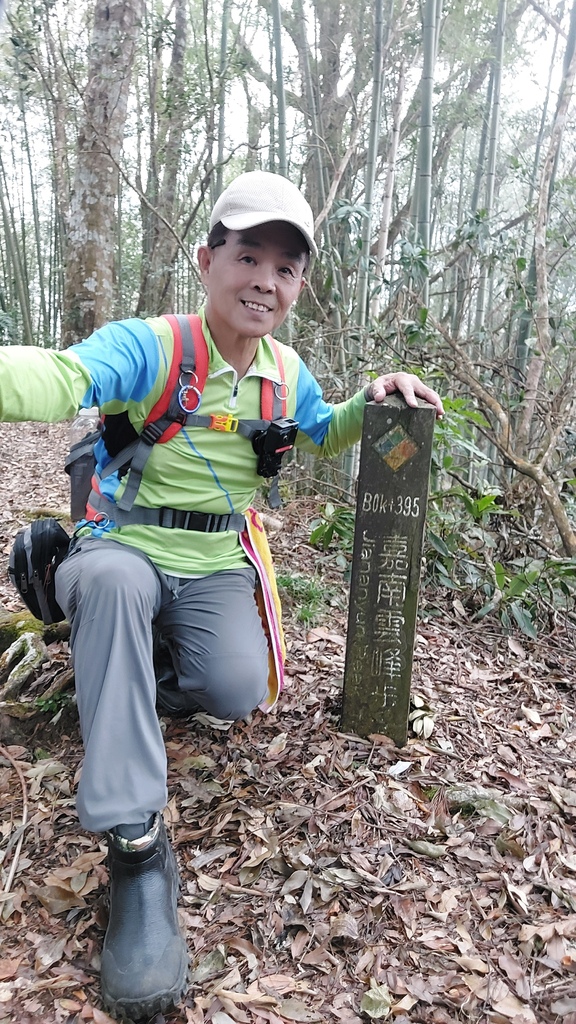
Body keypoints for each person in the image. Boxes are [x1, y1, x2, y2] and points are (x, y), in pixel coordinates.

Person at [0, 170, 444, 1019]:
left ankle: (127, 673)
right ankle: (136, 845)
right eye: (247, 257)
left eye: (285, 267)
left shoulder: (285, 374)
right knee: (115, 583)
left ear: (299, 285)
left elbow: (324, 431)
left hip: (214, 562)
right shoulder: (154, 346)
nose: (264, 281)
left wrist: (371, 398)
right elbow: (63, 377)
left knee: (236, 689)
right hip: (122, 545)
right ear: (208, 262)